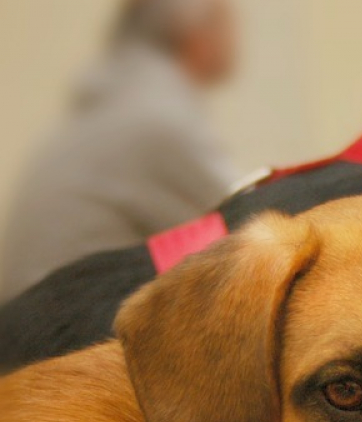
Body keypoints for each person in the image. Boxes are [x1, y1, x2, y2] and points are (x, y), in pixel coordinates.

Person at [1, 0, 240, 299]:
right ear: (195, 35)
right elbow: (247, 226)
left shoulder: (114, 103)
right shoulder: (157, 117)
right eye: (225, 18)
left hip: (35, 325)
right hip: (66, 334)